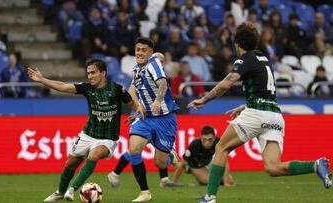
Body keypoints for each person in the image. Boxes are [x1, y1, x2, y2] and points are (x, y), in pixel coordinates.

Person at [188, 23, 332, 203]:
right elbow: (262, 89)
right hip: (275, 116)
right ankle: (316, 164)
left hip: (257, 114)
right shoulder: (263, 58)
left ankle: (210, 197)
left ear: (238, 44)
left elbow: (227, 83)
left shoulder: (244, 58)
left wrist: (204, 99)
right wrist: (245, 106)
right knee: (273, 168)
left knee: (221, 147)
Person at [27, 59, 142, 202]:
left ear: (103, 73)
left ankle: (72, 189)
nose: (90, 76)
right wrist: (42, 80)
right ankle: (60, 192)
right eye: (88, 73)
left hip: (108, 138)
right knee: (70, 164)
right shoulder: (87, 88)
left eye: (93, 72)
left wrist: (139, 112)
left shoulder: (117, 89)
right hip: (88, 134)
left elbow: (133, 104)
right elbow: (63, 86)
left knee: (94, 155)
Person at [110, 37, 180, 202]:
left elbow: (162, 84)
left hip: (165, 118)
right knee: (134, 148)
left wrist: (157, 100)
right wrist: (136, 108)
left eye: (144, 50)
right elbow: (132, 90)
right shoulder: (136, 69)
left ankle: (171, 154)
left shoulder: (154, 65)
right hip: (145, 117)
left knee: (161, 164)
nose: (140, 53)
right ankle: (144, 192)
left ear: (150, 52)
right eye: (137, 50)